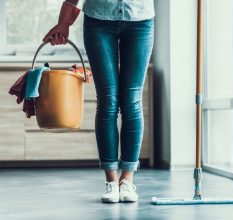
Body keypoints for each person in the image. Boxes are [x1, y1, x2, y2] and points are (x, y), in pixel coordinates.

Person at [43, 0, 155, 203]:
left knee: (131, 102)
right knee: (108, 101)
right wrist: (64, 23)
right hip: (99, 21)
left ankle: (127, 180)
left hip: (140, 19)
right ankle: (111, 181)